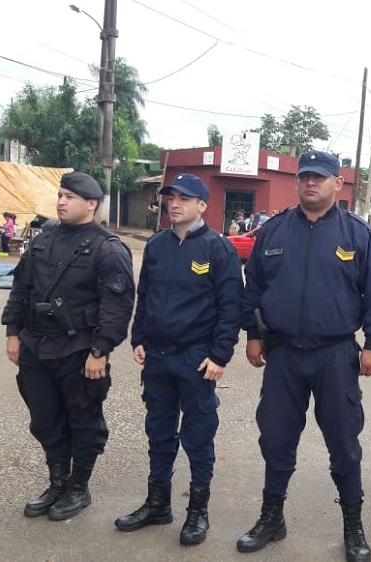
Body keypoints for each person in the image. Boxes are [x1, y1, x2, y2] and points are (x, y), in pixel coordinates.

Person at [237, 150, 371, 562]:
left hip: (336, 355)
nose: (311, 183)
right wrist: (253, 335)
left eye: (319, 178)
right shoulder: (273, 233)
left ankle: (353, 527)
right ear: (297, 182)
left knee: (344, 444)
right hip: (283, 355)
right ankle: (272, 518)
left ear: (336, 184)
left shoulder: (356, 234)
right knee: (275, 440)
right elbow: (252, 289)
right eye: (305, 176)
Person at [114, 173, 244, 545]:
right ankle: (157, 504)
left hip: (197, 359)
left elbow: (230, 309)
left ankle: (197, 512)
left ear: (202, 205)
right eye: (170, 197)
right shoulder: (156, 246)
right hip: (157, 357)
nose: (174, 204)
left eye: (184, 198)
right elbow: (147, 297)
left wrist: (220, 355)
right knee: (159, 432)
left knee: (199, 436)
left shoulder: (219, 249)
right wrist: (138, 337)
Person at [1, 171, 135, 521]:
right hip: (36, 347)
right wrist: (13, 331)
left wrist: (100, 351)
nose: (61, 202)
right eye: (60, 195)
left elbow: (117, 306)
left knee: (84, 420)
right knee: (45, 419)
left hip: (79, 351)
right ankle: (57, 481)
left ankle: (79, 487)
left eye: (70, 197)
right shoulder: (43, 239)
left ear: (91, 204)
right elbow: (21, 289)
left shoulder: (108, 248)